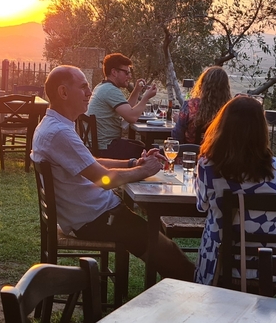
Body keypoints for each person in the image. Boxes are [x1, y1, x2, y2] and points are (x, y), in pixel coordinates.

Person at [32, 65, 195, 281]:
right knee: (166, 250)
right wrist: (143, 169)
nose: (89, 93)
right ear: (63, 93)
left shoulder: (53, 125)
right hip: (95, 219)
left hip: (92, 214)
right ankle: (197, 289)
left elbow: (92, 162)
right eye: (83, 88)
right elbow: (103, 180)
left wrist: (132, 162)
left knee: (160, 240)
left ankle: (179, 289)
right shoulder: (59, 132)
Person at [193, 95, 276, 285]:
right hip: (272, 267)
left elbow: (202, 206)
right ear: (261, 130)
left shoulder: (208, 167)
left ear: (222, 126)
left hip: (222, 265)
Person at [86, 53, 156, 155]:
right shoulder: (110, 90)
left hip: (98, 145)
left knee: (140, 146)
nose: (130, 76)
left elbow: (127, 109)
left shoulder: (102, 87)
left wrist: (136, 90)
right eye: (126, 73)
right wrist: (146, 98)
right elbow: (132, 117)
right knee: (147, 151)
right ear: (114, 72)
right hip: (105, 147)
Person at [171, 66, 232, 144]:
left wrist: (178, 121)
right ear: (226, 87)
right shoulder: (229, 109)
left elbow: (177, 136)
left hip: (190, 154)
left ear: (202, 84)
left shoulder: (190, 106)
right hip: (217, 155)